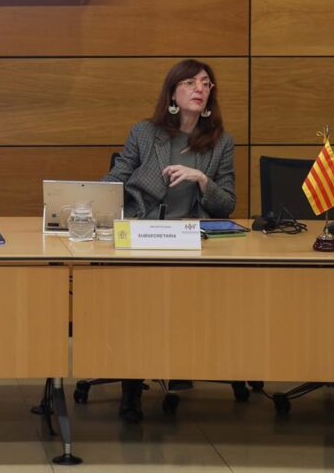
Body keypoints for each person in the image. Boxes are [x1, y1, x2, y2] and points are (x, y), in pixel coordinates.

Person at [100, 58, 236, 423]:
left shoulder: (220, 142)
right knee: (138, 304)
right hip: (143, 233)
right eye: (191, 82)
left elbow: (228, 204)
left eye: (206, 84)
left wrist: (202, 180)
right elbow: (115, 180)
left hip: (193, 240)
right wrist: (88, 202)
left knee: (182, 298)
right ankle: (131, 385)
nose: (200, 89)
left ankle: (178, 364)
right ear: (173, 93)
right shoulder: (145, 133)